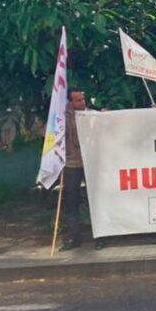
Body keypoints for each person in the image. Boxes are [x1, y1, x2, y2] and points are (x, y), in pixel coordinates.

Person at [58, 88, 105, 251]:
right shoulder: (61, 117)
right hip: (71, 164)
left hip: (90, 163)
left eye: (83, 99)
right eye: (78, 100)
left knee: (96, 200)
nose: (82, 102)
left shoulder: (91, 115)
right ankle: (74, 237)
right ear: (70, 102)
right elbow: (45, 132)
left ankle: (100, 237)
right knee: (72, 202)